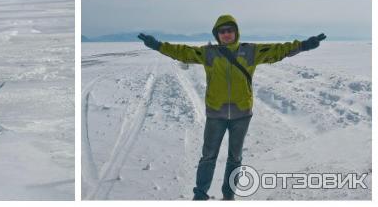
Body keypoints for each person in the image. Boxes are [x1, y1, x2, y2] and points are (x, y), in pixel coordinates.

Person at [137, 14, 326, 201]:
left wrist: (304, 45)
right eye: (222, 31)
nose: (226, 34)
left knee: (235, 158)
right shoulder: (208, 53)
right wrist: (157, 45)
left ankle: (229, 195)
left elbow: (278, 50)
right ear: (217, 34)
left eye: (230, 30)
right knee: (208, 156)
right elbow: (182, 51)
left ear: (236, 32)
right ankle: (200, 195)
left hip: (242, 115)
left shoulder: (251, 51)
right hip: (215, 115)